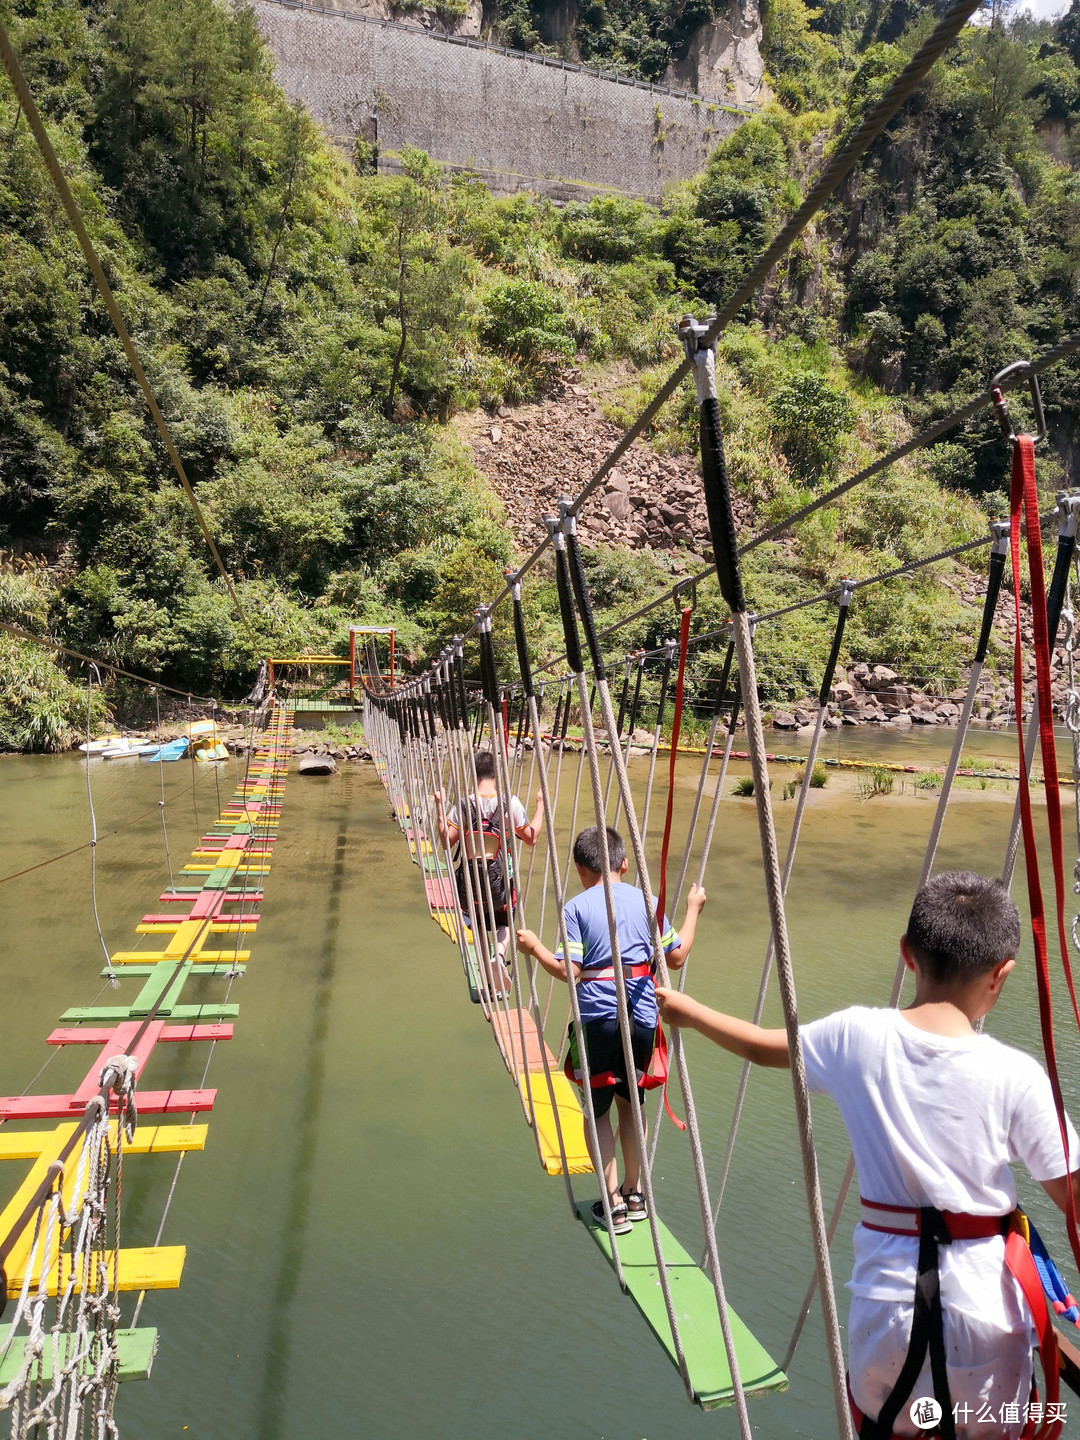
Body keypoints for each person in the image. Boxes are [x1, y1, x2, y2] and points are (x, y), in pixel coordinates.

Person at [655, 871, 1080, 1440]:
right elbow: (1073, 1203)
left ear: (907, 954)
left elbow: (763, 1047)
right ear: (1002, 972)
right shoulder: (1016, 1076)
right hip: (983, 1320)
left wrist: (689, 1011)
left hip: (885, 1315)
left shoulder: (855, 1037)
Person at [516, 824, 706, 1237]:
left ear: (582, 871)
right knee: (630, 1105)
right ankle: (635, 1194)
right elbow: (676, 959)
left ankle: (614, 1204)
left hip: (598, 1022)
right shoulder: (648, 902)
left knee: (596, 1111)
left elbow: (571, 970)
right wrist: (693, 909)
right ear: (624, 863)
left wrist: (534, 950)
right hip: (642, 1020)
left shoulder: (576, 907)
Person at [434, 751, 543, 996]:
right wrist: (540, 805)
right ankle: (500, 955)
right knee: (504, 918)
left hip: (469, 884)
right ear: (498, 774)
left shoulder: (463, 805)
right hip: (499, 881)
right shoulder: (510, 803)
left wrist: (440, 809)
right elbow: (531, 838)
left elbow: (445, 842)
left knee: (478, 923)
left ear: (474, 774)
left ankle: (486, 970)